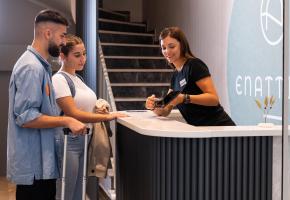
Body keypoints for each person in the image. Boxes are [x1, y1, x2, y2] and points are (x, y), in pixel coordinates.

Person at [7, 10, 87, 200]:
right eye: (61, 36)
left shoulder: (40, 66)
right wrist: (67, 120)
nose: (63, 42)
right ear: (48, 33)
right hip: (35, 168)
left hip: (43, 166)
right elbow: (26, 117)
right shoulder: (31, 68)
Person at [52, 34, 127, 200]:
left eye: (84, 53)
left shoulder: (77, 78)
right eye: (77, 55)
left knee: (79, 192)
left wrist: (99, 112)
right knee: (66, 192)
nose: (83, 59)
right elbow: (73, 113)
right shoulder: (59, 80)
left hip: (84, 139)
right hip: (68, 141)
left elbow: (84, 108)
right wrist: (106, 117)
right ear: (63, 56)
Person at [145, 27, 235, 126]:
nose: (167, 51)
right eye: (164, 48)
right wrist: (154, 106)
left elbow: (214, 99)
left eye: (171, 46)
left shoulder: (194, 65)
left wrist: (184, 98)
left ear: (182, 46)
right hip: (201, 131)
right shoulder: (175, 76)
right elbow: (165, 110)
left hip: (220, 128)